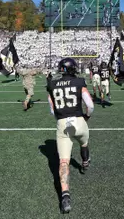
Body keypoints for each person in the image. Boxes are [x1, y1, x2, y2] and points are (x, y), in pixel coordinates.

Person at [47, 58, 94, 214]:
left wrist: (62, 117)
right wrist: (86, 116)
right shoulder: (79, 82)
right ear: (72, 69)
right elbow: (90, 105)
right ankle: (85, 162)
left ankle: (65, 195)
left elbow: (53, 111)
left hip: (62, 123)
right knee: (84, 143)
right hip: (79, 122)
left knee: (64, 162)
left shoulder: (52, 85)